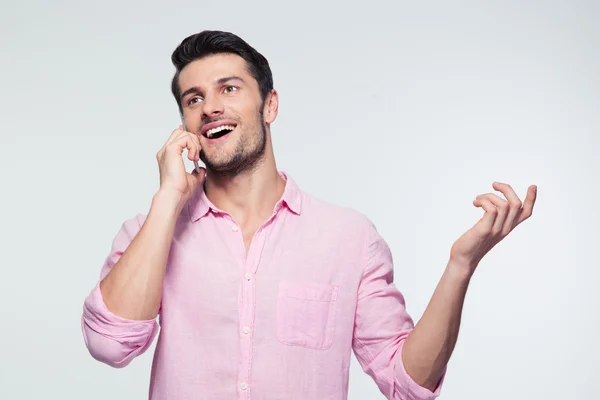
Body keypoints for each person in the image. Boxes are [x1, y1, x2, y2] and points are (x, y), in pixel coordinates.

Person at [81, 30, 537, 400]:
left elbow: (406, 383)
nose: (210, 107)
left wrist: (461, 265)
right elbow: (109, 345)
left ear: (270, 105)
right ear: (184, 124)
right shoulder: (151, 232)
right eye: (193, 99)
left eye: (229, 88)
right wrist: (168, 198)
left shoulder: (349, 239)